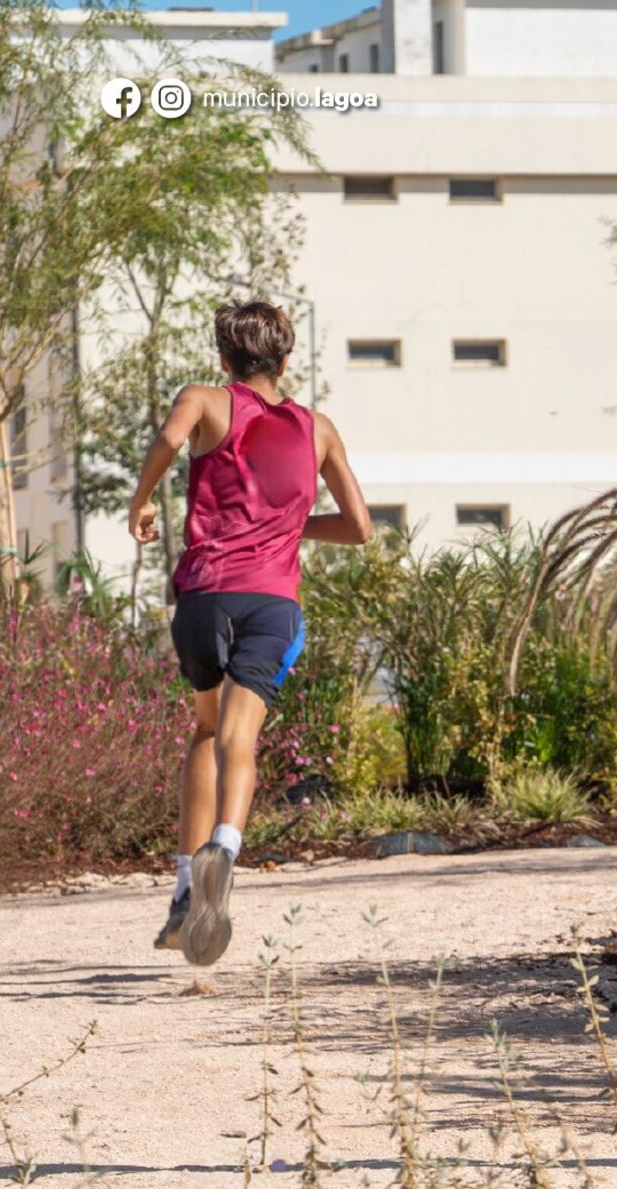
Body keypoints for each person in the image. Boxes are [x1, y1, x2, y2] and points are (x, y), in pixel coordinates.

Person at [129, 301, 372, 966]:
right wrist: (292, 527)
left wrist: (142, 500)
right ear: (286, 361)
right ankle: (224, 854)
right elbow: (358, 526)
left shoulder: (204, 400)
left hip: (205, 598)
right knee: (242, 737)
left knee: (207, 733)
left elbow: (169, 441)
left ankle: (186, 889)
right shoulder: (317, 427)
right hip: (274, 605)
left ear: (224, 359)